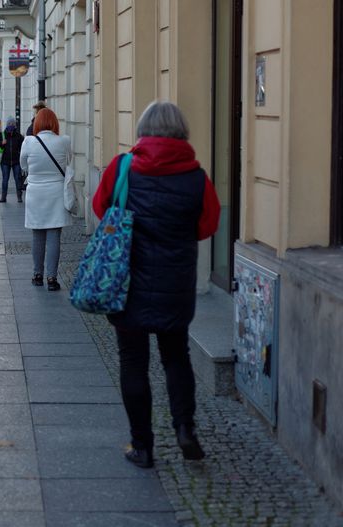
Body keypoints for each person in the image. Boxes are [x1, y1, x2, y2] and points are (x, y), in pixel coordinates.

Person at [92, 101, 221, 469]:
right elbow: (207, 226)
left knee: (133, 362)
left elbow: (102, 207)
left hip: (125, 280)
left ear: (143, 130)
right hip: (175, 283)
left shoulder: (124, 167)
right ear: (182, 132)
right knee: (176, 357)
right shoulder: (197, 176)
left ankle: (143, 446)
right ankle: (184, 429)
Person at [19, 108, 72, 291]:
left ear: (37, 123)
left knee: (38, 235)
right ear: (55, 123)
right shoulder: (64, 141)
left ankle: (37, 275)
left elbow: (23, 165)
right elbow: (69, 162)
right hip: (56, 192)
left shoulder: (29, 142)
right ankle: (52, 278)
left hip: (36, 193)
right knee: (54, 235)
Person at [0, 117, 24, 203]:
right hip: (5, 162)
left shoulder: (19, 136)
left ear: (15, 126)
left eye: (13, 125)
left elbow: (23, 147)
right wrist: (1, 143)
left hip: (16, 161)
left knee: (18, 178)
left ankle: (19, 196)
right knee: (5, 179)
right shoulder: (2, 135)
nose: (11, 126)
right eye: (9, 124)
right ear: (7, 125)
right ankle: (3, 197)